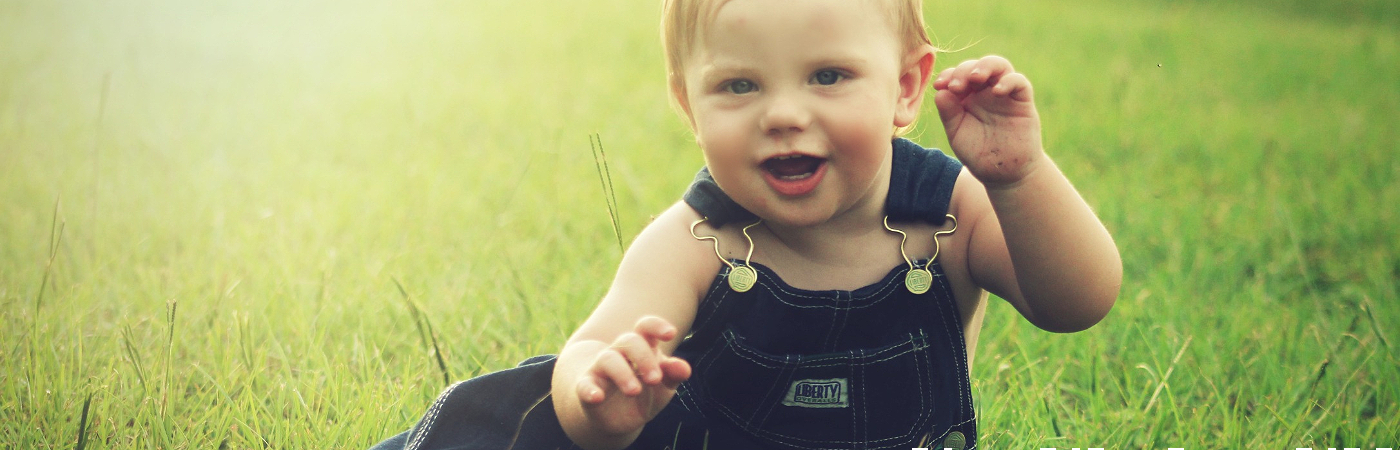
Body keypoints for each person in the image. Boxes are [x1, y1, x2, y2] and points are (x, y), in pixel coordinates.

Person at [369, 0, 1120, 449]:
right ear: (689, 106)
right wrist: (601, 399)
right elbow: (591, 347)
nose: (785, 113)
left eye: (828, 76)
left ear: (904, 87)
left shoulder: (952, 214)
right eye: (739, 85)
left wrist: (1020, 180)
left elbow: (1076, 301)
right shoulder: (698, 241)